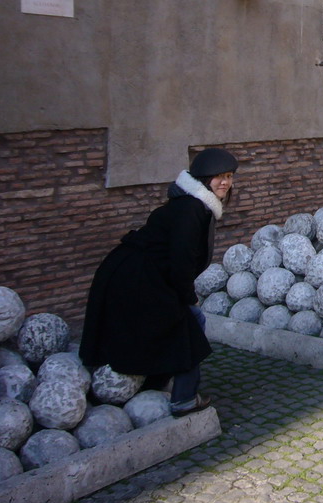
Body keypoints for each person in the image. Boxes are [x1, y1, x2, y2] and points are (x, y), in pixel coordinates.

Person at [79, 148, 238, 415]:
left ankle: (155, 383)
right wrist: (188, 296)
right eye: (218, 176)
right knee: (189, 325)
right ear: (203, 179)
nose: (225, 182)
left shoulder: (194, 204)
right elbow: (182, 258)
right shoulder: (192, 208)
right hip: (136, 275)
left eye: (229, 176)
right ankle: (184, 398)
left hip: (144, 273)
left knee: (178, 326)